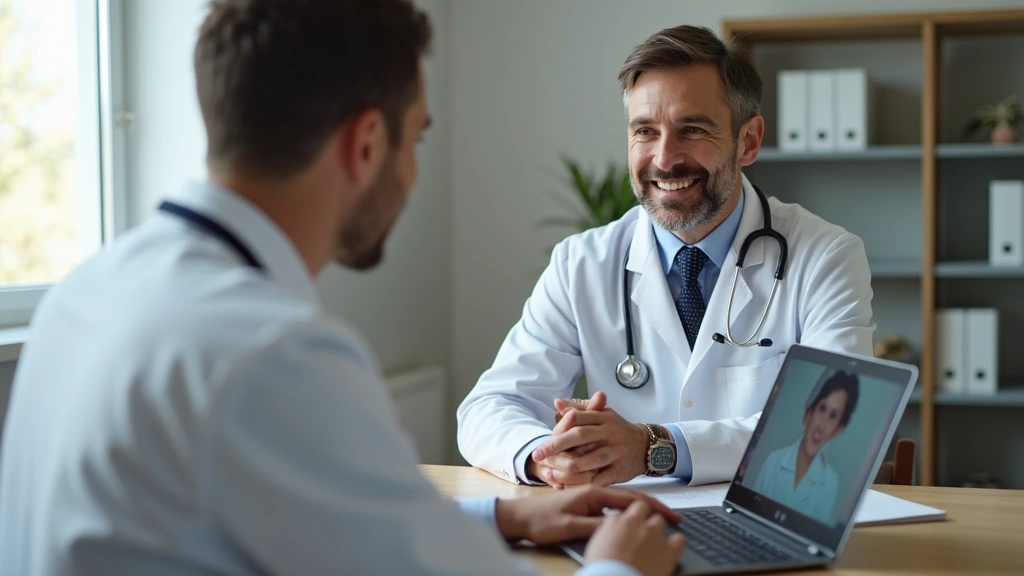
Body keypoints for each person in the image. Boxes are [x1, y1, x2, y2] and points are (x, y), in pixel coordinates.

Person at [0, 2, 686, 575]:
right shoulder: (274, 352)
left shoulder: (85, 292)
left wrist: (503, 515)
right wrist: (620, 568)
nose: (412, 175)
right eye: (415, 141)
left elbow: (308, 522)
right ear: (365, 144)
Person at [457, 25, 874, 489]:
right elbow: (489, 407)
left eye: (692, 130)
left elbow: (837, 428)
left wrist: (654, 448)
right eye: (645, 131)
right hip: (623, 520)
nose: (664, 158)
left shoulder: (825, 257)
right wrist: (549, 458)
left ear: (748, 141)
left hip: (761, 515)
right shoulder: (582, 263)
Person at [751, 371, 860, 524]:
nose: (821, 426)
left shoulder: (830, 483)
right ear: (809, 413)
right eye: (822, 408)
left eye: (833, 416)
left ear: (838, 430)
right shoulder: (774, 461)